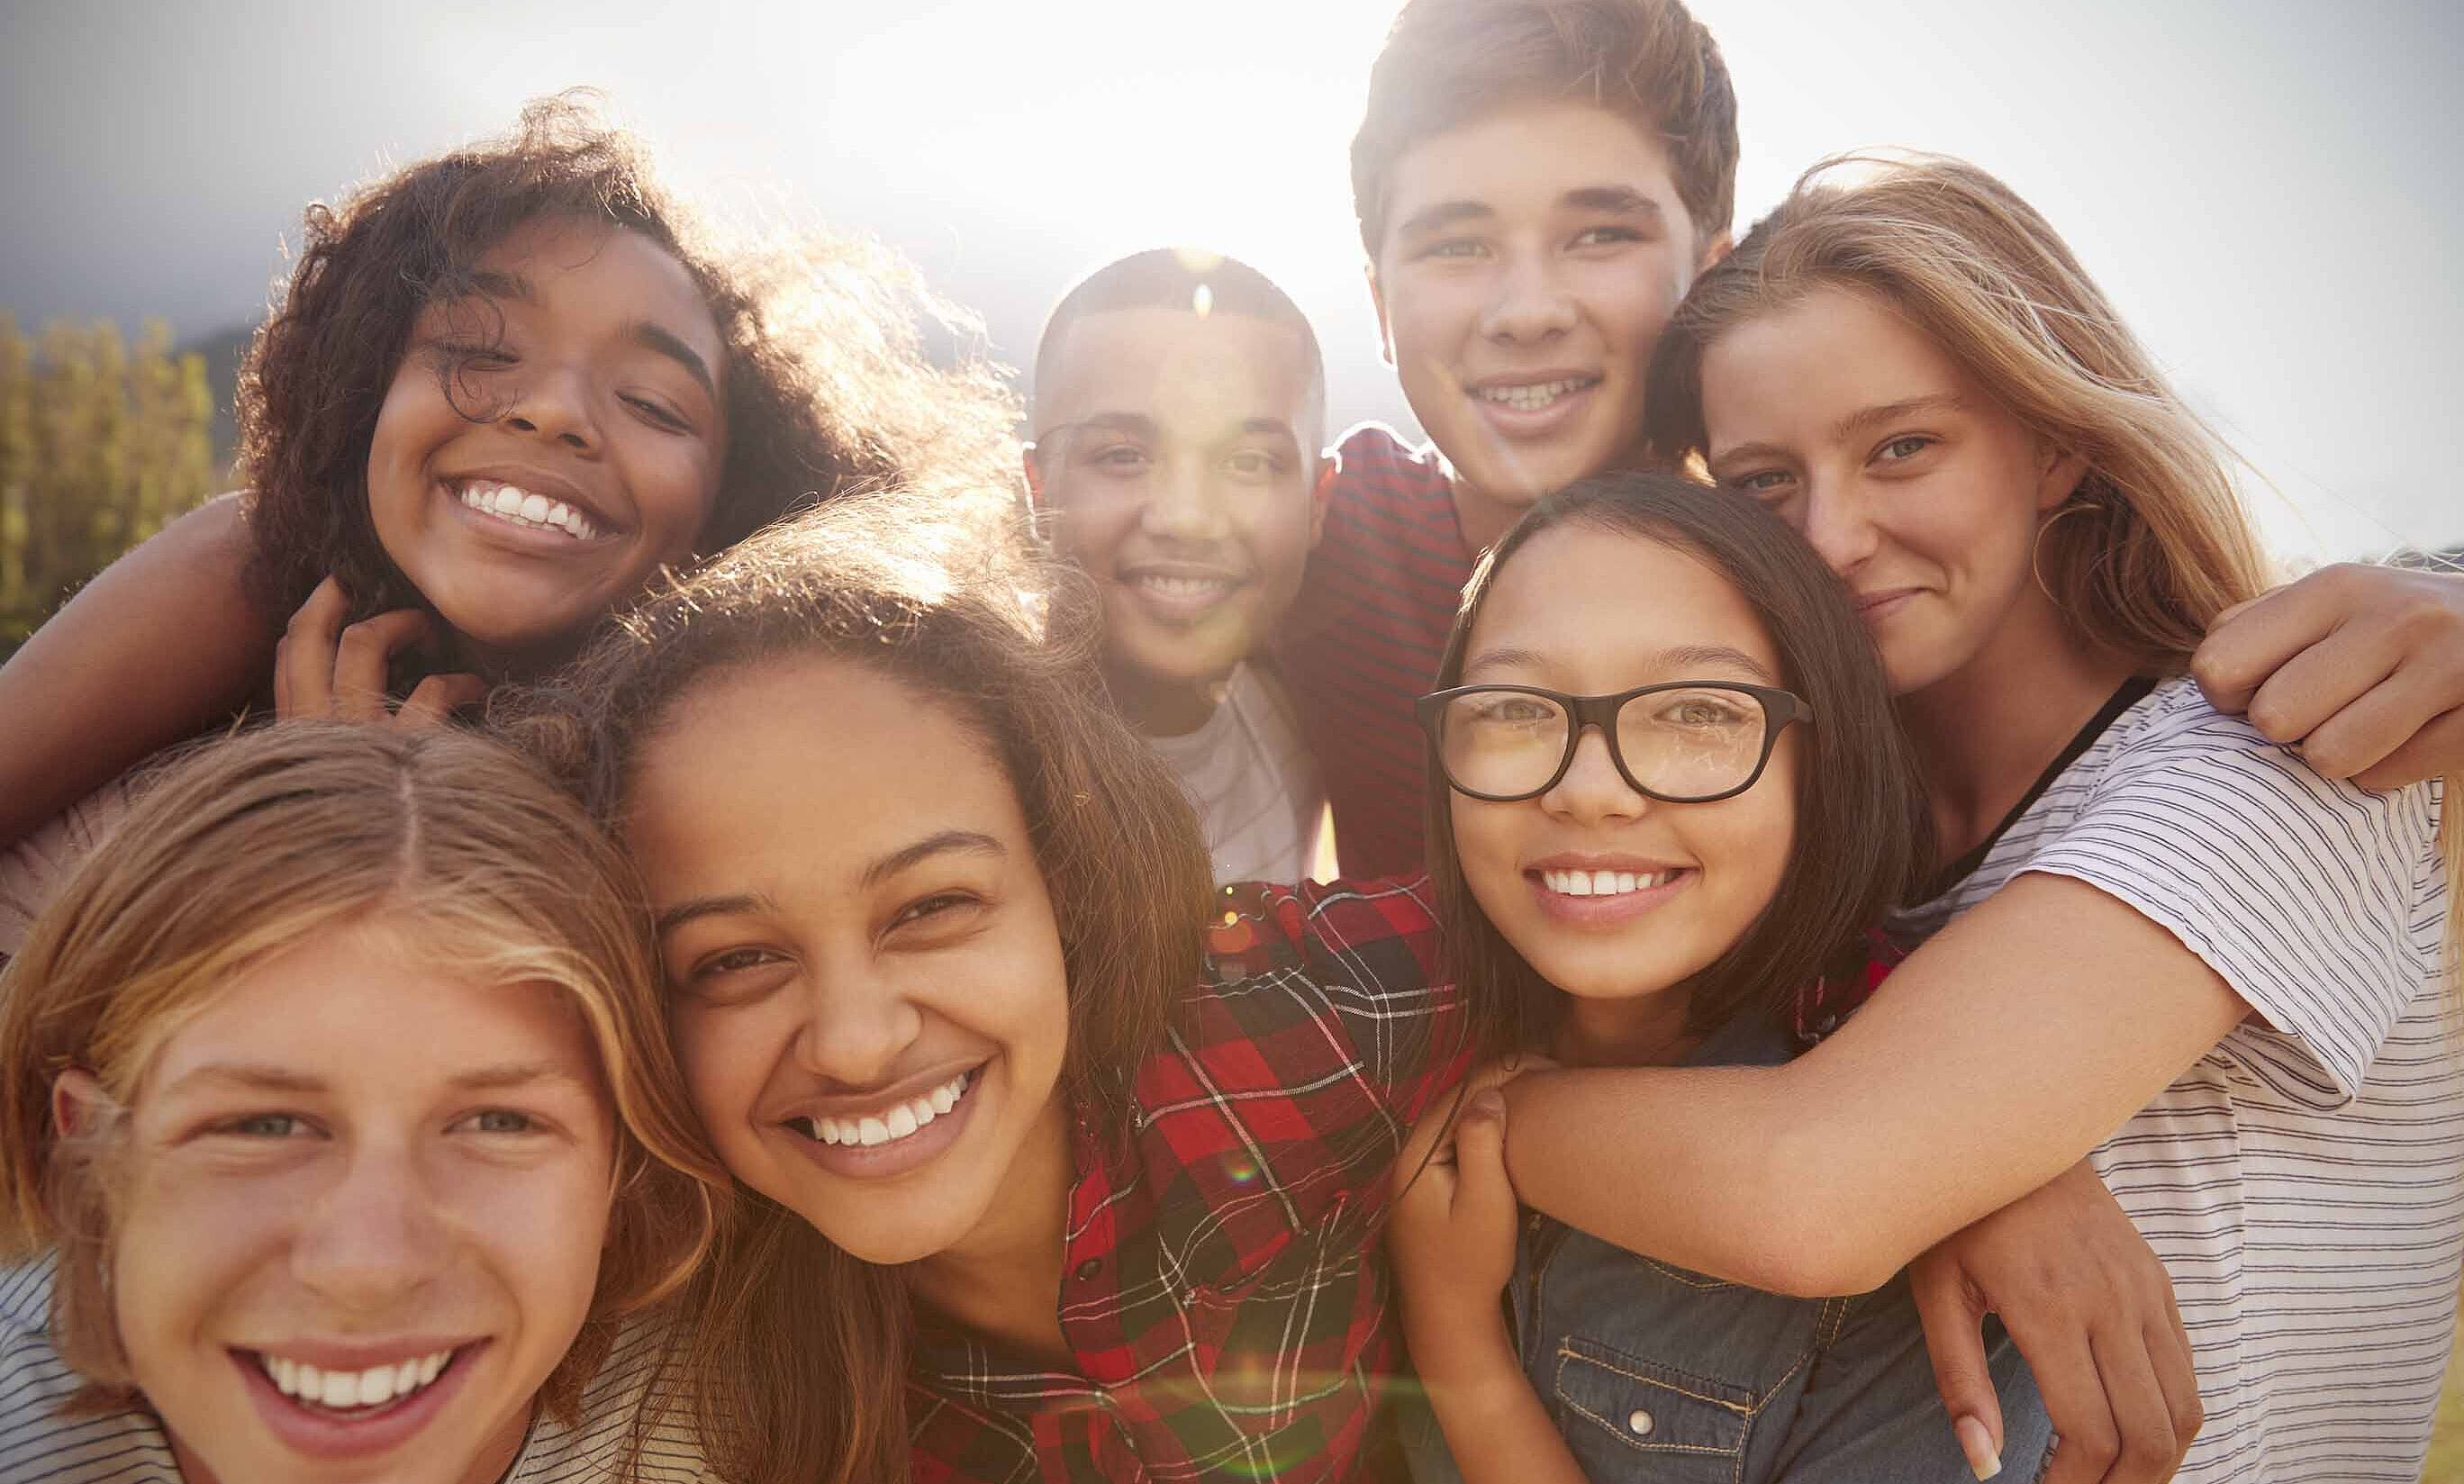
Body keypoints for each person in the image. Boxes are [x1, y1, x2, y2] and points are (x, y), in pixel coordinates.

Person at [1471, 152, 2459, 1484]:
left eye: (1901, 448)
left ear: (2054, 444)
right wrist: (1971, 1157)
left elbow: (1817, 1188)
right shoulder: (1831, 845)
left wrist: (1475, 1132)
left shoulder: (2268, 759)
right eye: (1764, 482)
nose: (1832, 537)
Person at [1278, 0, 2464, 879]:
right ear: (1379, 305)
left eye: (1599, 234)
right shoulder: (1316, 541)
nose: (1527, 309)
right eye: (1454, 244)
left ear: (1709, 267)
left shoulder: (1818, 587)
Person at [0, 94, 1018, 947]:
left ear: (731, 510)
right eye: (482, 348)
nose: (556, 411)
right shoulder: (244, 571)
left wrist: (359, 834)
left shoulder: (736, 787)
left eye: (656, 404)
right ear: (365, 395)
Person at [1386, 471, 2057, 1484]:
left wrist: (1457, 1347)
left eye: (1696, 713)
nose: (1592, 791)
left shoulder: (1918, 1236)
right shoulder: (1365, 1066)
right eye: (1518, 708)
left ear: (1817, 761)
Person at [0, 721, 730, 1483]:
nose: (369, 1267)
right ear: (87, 1167)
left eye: (499, 1122)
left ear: (619, 1180)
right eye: (261, 1126)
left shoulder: (737, 1427)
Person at [1027, 249, 1335, 883]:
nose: (1187, 516)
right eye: (1121, 456)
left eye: (1248, 462)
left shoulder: (1303, 706)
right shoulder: (971, 769)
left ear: (1318, 502)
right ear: (1037, 490)